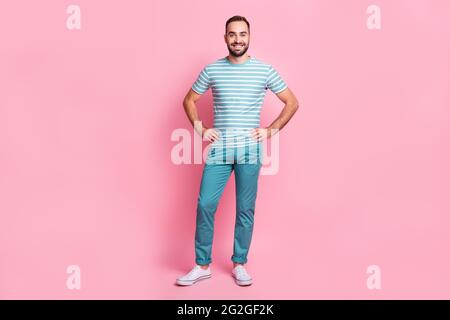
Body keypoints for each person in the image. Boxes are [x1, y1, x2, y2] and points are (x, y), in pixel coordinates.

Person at [177, 15, 299, 286]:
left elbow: (291, 102)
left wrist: (270, 130)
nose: (237, 39)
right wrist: (200, 128)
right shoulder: (212, 70)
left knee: (245, 209)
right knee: (205, 204)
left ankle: (240, 263)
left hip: (249, 151)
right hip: (220, 150)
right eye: (232, 34)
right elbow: (189, 100)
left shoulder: (265, 70)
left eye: (242, 34)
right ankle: (202, 265)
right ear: (225, 38)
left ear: (249, 37)